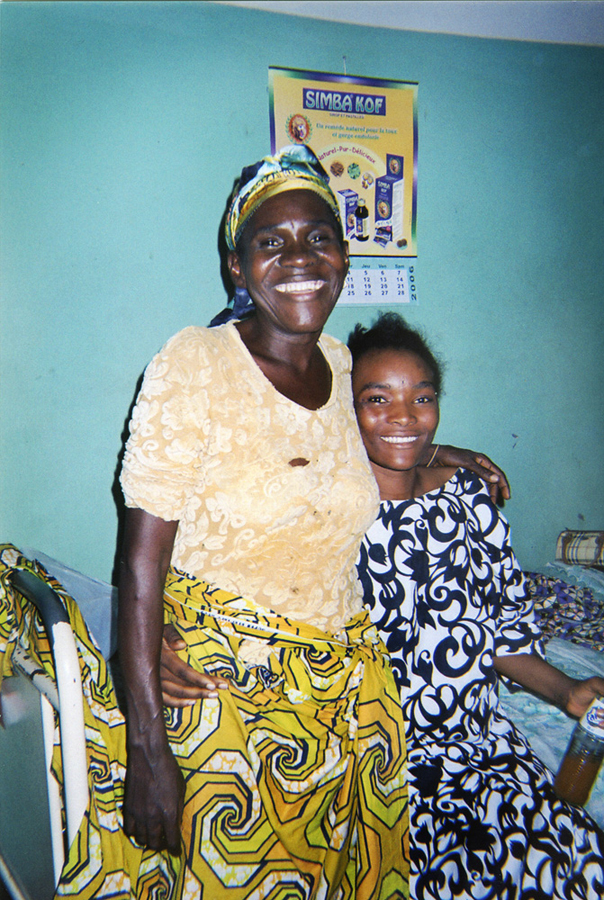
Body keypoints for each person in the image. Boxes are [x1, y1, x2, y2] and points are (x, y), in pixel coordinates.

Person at [116, 146, 511, 899]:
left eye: (318, 237)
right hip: (221, 681)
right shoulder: (193, 364)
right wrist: (148, 747)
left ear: (344, 255)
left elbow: (375, 438)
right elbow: (140, 562)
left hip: (347, 694)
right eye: (271, 242)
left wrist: (441, 449)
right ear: (238, 268)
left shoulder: (342, 363)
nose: (299, 258)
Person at [162, 309, 604, 899]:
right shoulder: (328, 514)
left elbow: (500, 633)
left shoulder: (470, 500)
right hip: (378, 759)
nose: (404, 418)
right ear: (345, 409)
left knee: (577, 863)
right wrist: (163, 636)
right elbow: (229, 583)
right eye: (377, 399)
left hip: (480, 745)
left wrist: (567, 691)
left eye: (421, 398)